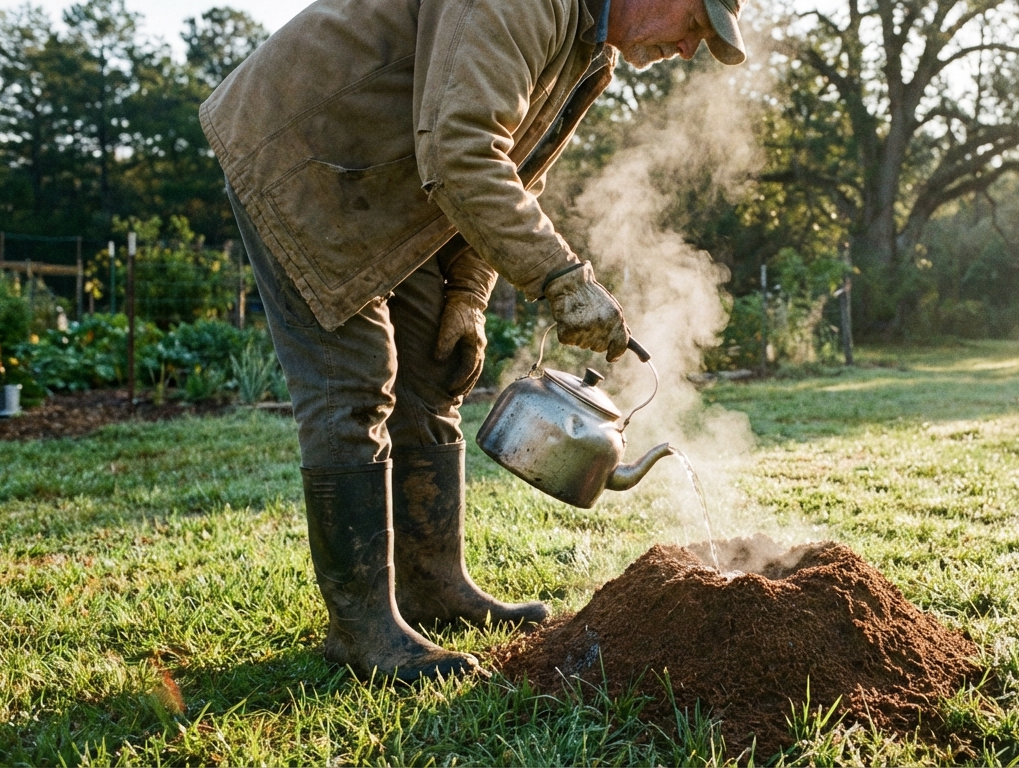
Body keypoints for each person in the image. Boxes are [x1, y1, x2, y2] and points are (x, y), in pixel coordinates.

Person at [200, 0, 747, 681]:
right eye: (694, 24)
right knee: (354, 385)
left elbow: (517, 169)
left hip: (399, 183)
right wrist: (560, 278)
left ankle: (434, 587)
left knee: (435, 366)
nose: (689, 49)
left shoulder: (590, 48)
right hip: (308, 154)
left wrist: (467, 295)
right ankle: (361, 631)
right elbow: (462, 149)